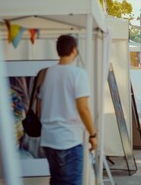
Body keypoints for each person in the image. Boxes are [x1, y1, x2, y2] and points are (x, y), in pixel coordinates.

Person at [40, 35, 97, 185]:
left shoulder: (47, 73)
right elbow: (83, 108)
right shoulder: (78, 74)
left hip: (48, 139)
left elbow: (40, 105)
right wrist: (93, 134)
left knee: (56, 181)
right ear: (74, 50)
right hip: (68, 139)